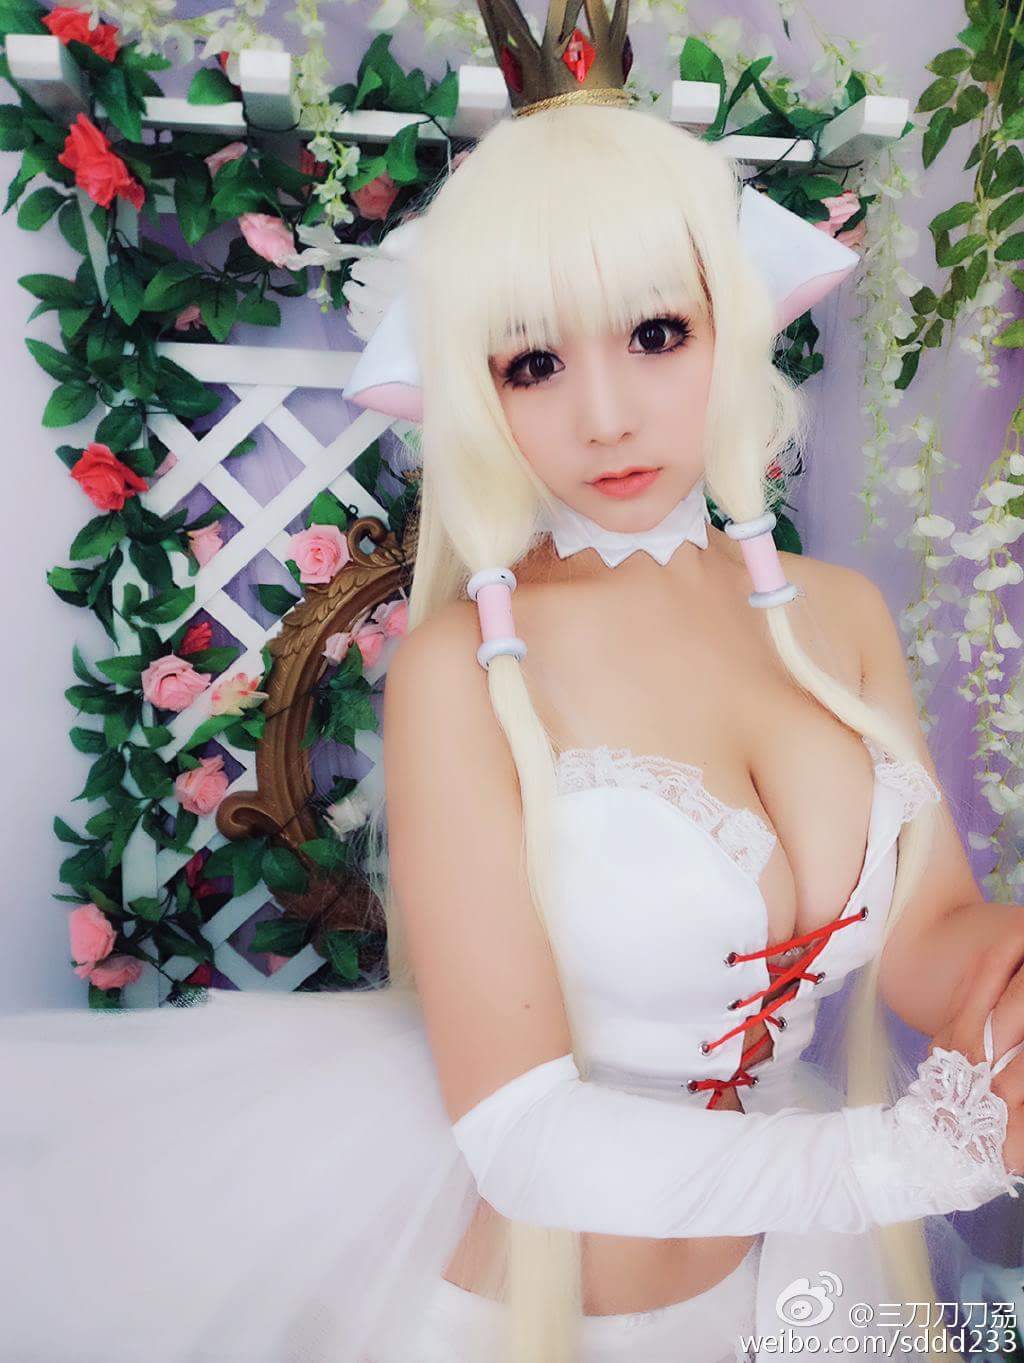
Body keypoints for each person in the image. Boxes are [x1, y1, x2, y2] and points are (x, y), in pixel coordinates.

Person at [4, 9, 1024, 1363]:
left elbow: (930, 929)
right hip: (550, 1311)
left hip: (798, 1277)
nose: (604, 415)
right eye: (534, 360)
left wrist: (1008, 986)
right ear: (477, 388)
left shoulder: (836, 616)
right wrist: (905, 1161)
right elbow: (527, 1134)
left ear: (730, 322)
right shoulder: (460, 670)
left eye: (656, 332)